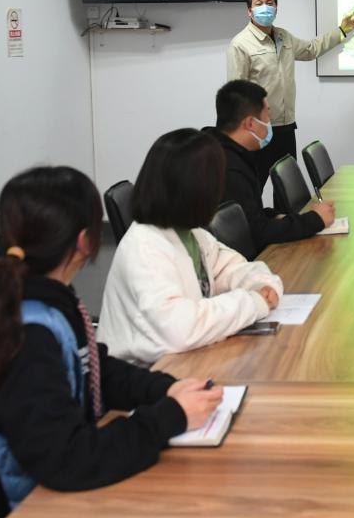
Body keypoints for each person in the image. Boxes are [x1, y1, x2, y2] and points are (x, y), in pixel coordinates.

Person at [0, 166, 222, 509]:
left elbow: (93, 367)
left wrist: (165, 389)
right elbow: (69, 459)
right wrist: (169, 418)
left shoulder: (39, 294)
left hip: (43, 484)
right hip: (22, 509)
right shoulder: (26, 333)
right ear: (85, 241)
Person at [97, 129, 284, 366]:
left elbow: (232, 268)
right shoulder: (144, 246)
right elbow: (181, 329)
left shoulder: (190, 233)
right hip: (144, 374)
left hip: (185, 361)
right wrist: (253, 303)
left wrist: (261, 285)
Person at [226, 0, 354, 207]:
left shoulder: (283, 37)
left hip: (286, 126)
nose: (265, 8)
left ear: (276, 8)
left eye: (269, 3)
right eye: (258, 4)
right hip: (258, 131)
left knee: (287, 192)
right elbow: (235, 91)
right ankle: (249, 228)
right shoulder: (240, 44)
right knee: (252, 189)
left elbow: (310, 49)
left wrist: (341, 31)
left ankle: (285, 226)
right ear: (249, 11)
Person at [203, 80, 335, 257]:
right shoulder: (227, 167)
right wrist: (315, 220)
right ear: (251, 123)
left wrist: (272, 216)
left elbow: (247, 214)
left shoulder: (224, 151)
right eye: (267, 117)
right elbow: (256, 234)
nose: (269, 123)